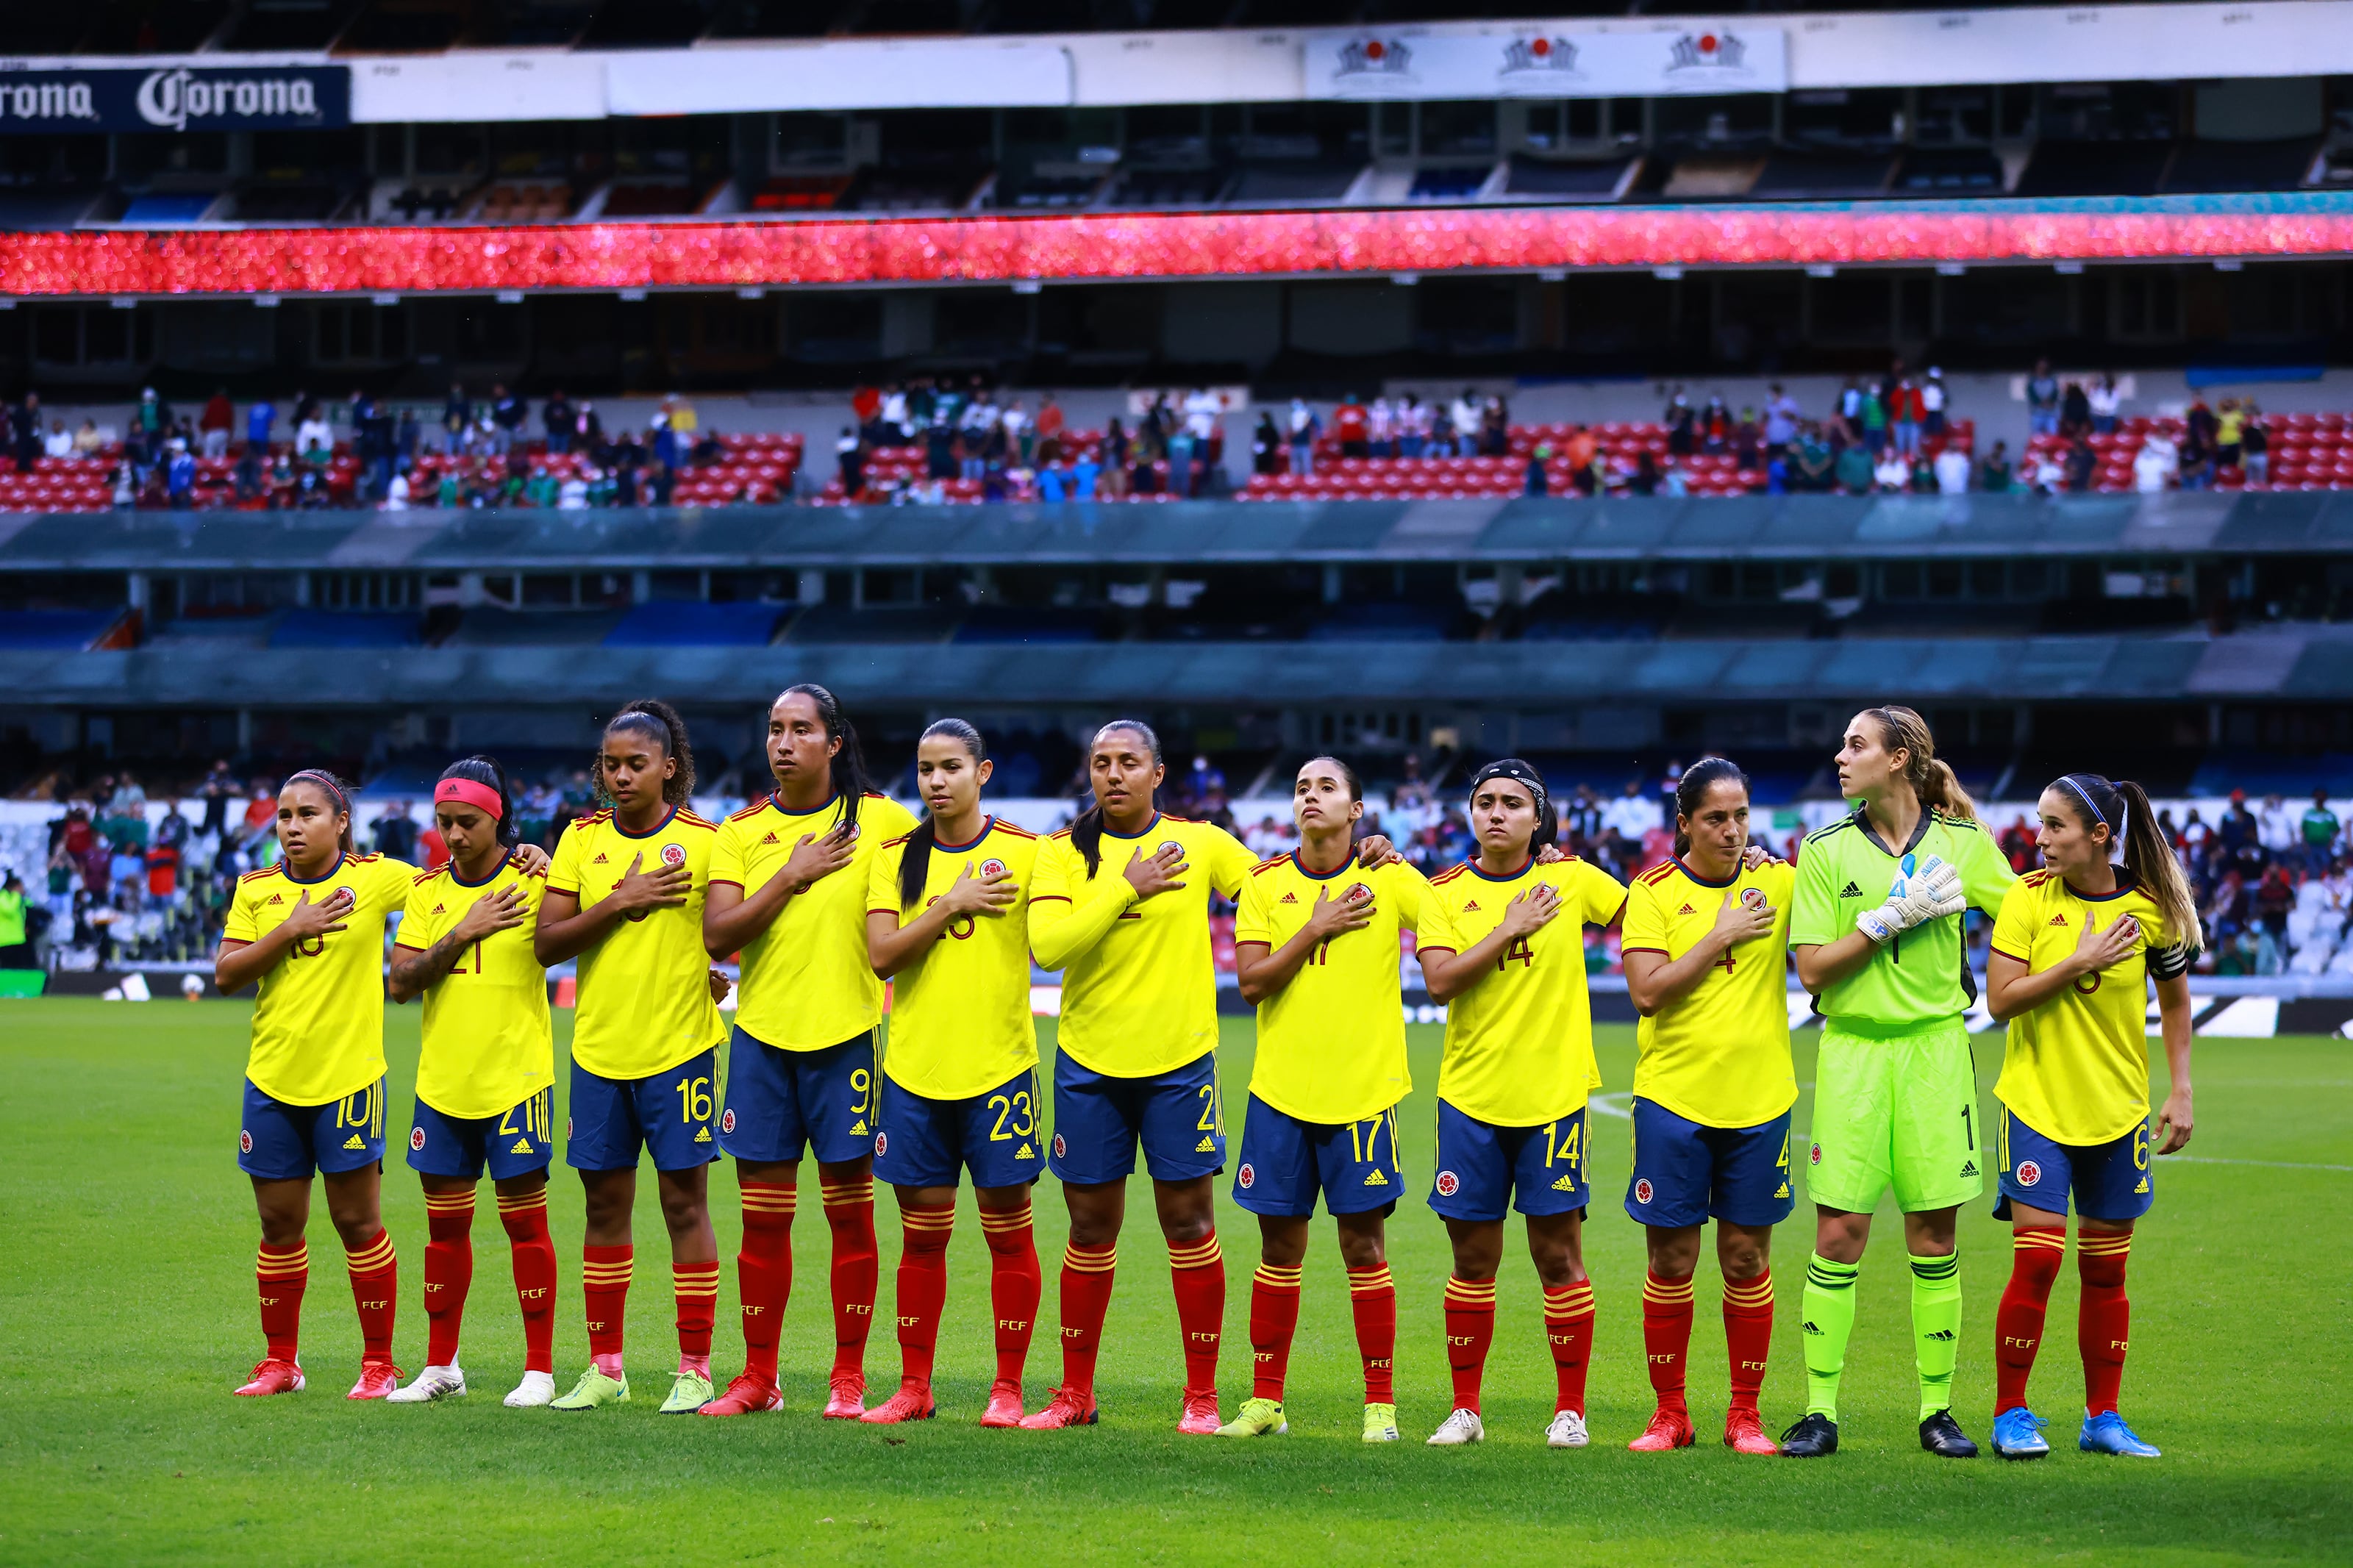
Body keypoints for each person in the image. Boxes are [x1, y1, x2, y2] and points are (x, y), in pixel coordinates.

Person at [1021, 722, 1399, 1433]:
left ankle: (1200, 1398)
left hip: (1178, 1067)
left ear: (1157, 774)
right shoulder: (1061, 854)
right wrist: (1123, 888)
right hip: (1088, 1065)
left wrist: (1361, 853)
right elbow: (1048, 946)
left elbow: (1282, 888)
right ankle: (1074, 1394)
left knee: (1189, 1224)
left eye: (1128, 762)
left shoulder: (1202, 843)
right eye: (1100, 763)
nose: (1113, 774)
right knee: (1088, 1227)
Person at [1782, 706, 2016, 1459]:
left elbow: (2026, 917)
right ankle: (1819, 1411)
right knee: (1837, 1233)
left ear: (1898, 757)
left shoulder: (1964, 845)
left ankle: (1937, 1411)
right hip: (1851, 1054)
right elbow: (1811, 967)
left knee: (1933, 1233)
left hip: (1933, 1053)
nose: (1840, 754)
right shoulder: (1821, 850)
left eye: (1855, 743)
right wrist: (1886, 921)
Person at [699, 686, 915, 1420]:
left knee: (849, 1218)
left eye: (800, 729)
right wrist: (790, 874)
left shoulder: (883, 822)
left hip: (846, 1038)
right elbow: (719, 934)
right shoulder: (740, 833)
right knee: (761, 1220)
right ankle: (758, 1377)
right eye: (773, 730)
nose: (783, 742)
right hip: (761, 1042)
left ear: (834, 742)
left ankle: (847, 1377)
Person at [1410, 761, 1627, 1450]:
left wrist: (1746, 861)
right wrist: (1510, 926)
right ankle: (1465, 1408)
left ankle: (1571, 1411)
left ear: (1538, 819)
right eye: (1484, 802)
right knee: (1472, 1258)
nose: (1496, 813)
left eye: (1512, 803)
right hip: (1470, 1099)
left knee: (1557, 1254)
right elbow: (1440, 981)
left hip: (1554, 1098)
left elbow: (1654, 908)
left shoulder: (1574, 879)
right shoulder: (1443, 892)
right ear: (1470, 815)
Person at [1984, 773, 2198, 1461]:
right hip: (2037, 1106)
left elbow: (2175, 1004)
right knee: (2039, 1262)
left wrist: (2182, 1089)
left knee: (2108, 1274)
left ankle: (2102, 1416)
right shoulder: (2025, 898)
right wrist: (2078, 960)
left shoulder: (2151, 910)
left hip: (2118, 1113)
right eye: (2040, 824)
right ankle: (2010, 1413)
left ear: (2099, 835)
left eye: (2055, 826)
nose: (2039, 838)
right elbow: (2001, 1001)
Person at [1218, 756, 1432, 1445]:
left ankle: (1380, 1407)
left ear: (1358, 810)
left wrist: (1543, 853)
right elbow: (1250, 984)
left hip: (1363, 1093)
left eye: (1327, 787)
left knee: (1364, 1245)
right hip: (1280, 1092)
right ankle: (1266, 1402)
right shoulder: (1264, 884)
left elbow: (1464, 905)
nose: (1312, 796)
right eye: (1303, 787)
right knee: (1278, 1249)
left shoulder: (1389, 876)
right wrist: (1315, 926)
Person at [532, 700, 732, 1414]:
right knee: (603, 1206)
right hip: (599, 1053)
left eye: (634, 764)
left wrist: (718, 973)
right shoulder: (582, 841)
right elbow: (548, 944)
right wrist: (620, 901)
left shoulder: (708, 841)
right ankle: (606, 1367)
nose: (619, 775)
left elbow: (727, 934)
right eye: (610, 764)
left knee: (685, 1204)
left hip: (679, 1052)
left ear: (668, 769)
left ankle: (696, 1367)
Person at [860, 720, 1044, 1427]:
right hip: (913, 1071)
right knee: (922, 1235)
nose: (935, 781)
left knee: (1009, 1234)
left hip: (999, 1071)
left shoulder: (1028, 854)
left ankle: (1007, 1388)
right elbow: (882, 956)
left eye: (950, 768)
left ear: (983, 772)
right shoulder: (896, 857)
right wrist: (950, 904)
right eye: (925, 769)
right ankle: (914, 1386)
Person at [213, 770, 417, 1399]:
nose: (293, 826)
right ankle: (281, 1362)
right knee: (279, 1225)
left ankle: (379, 1362)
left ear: (341, 822)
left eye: (307, 814)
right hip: (273, 1079)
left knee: (358, 1222)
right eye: (284, 815)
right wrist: (286, 931)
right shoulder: (258, 889)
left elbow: (457, 883)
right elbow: (224, 973)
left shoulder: (376, 878)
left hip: (350, 1079)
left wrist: (529, 853)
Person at [1617, 759, 1794, 1457]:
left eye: (1741, 814)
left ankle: (1744, 1415)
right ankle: (1670, 1413)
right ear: (1684, 822)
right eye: (1716, 817)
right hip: (1673, 1098)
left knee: (1747, 1258)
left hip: (1759, 1099)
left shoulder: (1778, 880)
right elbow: (1648, 991)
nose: (1731, 829)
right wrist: (1721, 933)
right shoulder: (1653, 891)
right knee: (1672, 1259)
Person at [385, 759, 562, 1408]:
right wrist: (464, 930)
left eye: (468, 822)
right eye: (445, 822)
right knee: (443, 1231)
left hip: (516, 1081)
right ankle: (441, 1366)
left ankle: (539, 1369)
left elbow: (588, 933)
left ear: (499, 819)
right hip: (443, 1085)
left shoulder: (537, 880)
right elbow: (400, 984)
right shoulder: (429, 893)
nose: (454, 835)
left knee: (525, 1226)